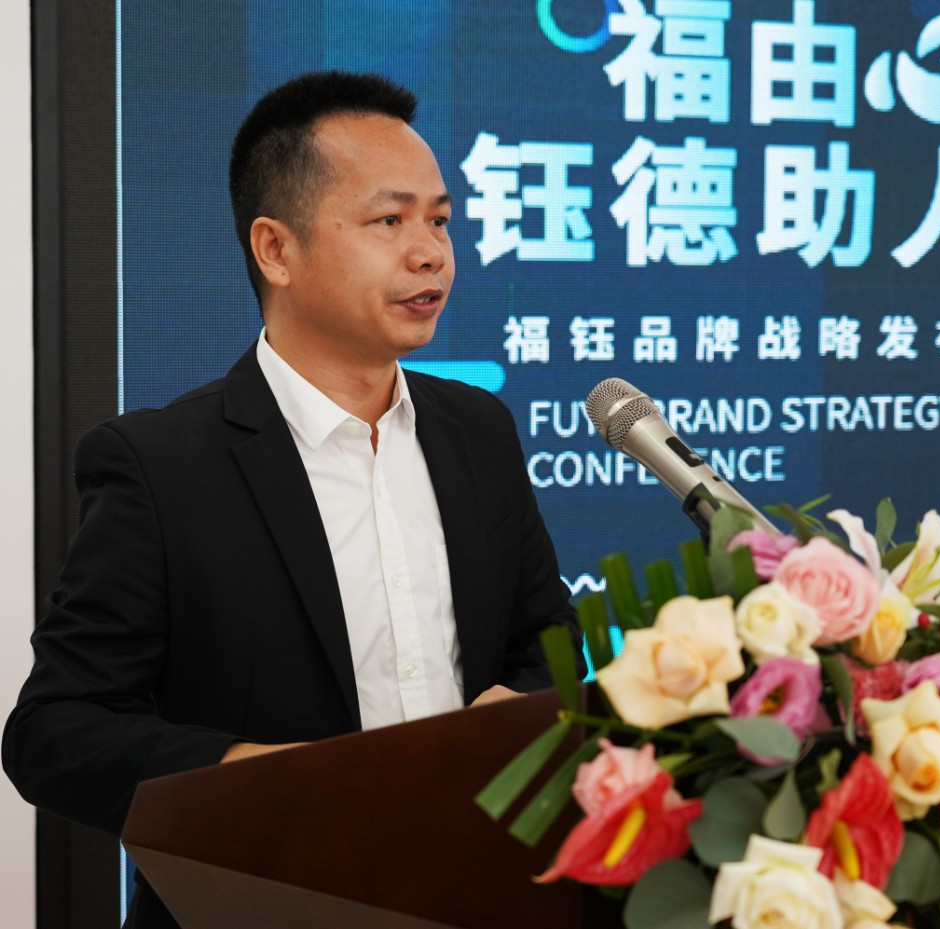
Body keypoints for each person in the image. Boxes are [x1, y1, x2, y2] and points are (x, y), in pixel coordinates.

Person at [3, 71, 582, 929]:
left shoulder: (478, 431)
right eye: (389, 221)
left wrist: (518, 714)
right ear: (276, 249)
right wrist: (262, 779)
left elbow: (546, 637)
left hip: (475, 895)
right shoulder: (160, 465)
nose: (431, 253)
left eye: (440, 220)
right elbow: (56, 731)